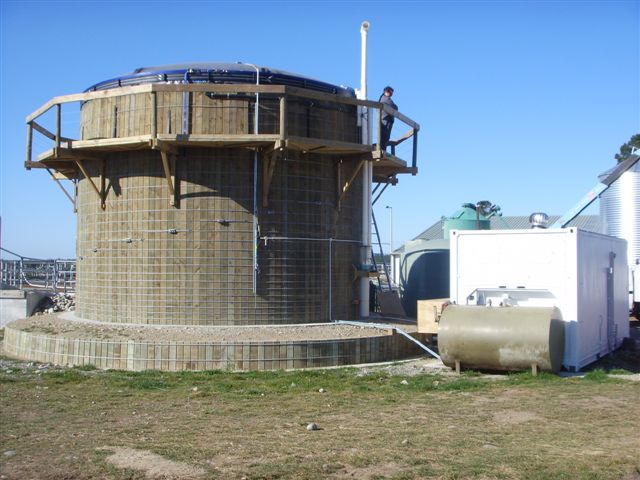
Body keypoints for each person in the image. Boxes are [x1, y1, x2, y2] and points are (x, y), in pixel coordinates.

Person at [378, 86, 397, 151]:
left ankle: (382, 150)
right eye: (389, 91)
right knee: (384, 137)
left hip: (385, 120)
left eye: (391, 92)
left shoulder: (383, 98)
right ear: (385, 91)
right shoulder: (385, 99)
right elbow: (394, 107)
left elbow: (394, 107)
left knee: (385, 138)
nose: (390, 93)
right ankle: (382, 151)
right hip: (385, 120)